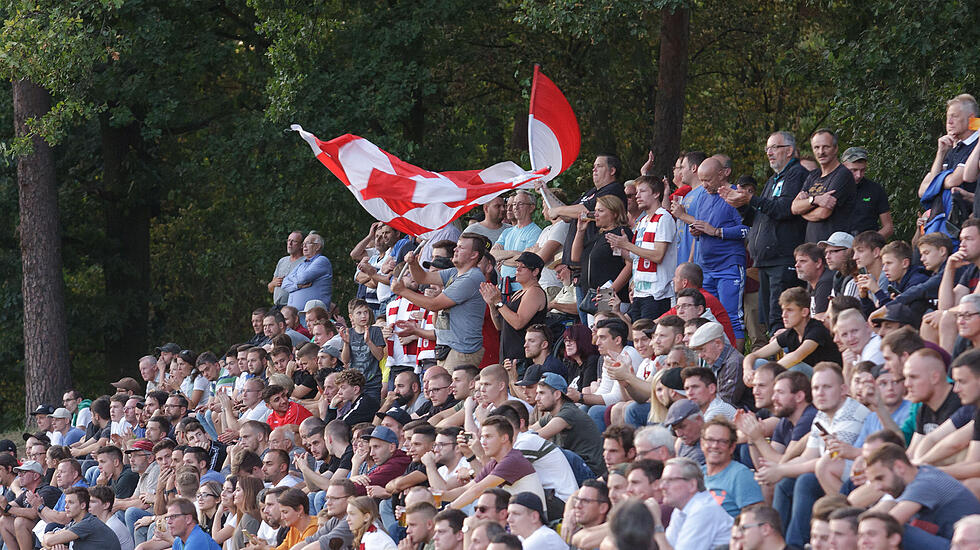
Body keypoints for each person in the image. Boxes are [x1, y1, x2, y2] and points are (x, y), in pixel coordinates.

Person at [765, 363, 870, 548]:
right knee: (786, 483)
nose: (820, 393)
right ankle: (776, 543)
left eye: (827, 387)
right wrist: (778, 470)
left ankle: (795, 545)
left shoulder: (852, 412)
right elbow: (807, 457)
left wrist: (780, 469)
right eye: (816, 388)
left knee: (806, 480)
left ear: (844, 389)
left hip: (857, 484)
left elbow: (826, 462)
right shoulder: (821, 415)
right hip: (834, 479)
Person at [723, 131, 808, 332]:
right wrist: (740, 205)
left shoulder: (797, 174)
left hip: (783, 259)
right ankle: (776, 361)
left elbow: (784, 209)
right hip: (766, 261)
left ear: (789, 150)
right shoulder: (772, 180)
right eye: (767, 148)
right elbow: (758, 218)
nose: (769, 152)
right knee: (770, 321)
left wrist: (749, 199)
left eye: (774, 148)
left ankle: (788, 361)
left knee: (782, 319)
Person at [672, 156, 748, 343]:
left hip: (729, 266)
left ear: (723, 174)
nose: (704, 185)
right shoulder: (704, 197)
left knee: (731, 317)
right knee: (706, 316)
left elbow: (748, 230)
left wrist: (717, 232)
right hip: (706, 268)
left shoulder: (735, 195)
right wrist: (697, 231)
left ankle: (735, 363)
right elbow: (703, 226)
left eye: (708, 180)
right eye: (702, 180)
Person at [393, 233, 488, 368]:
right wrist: (413, 264)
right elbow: (423, 278)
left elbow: (434, 304)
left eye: (461, 248)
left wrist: (402, 291)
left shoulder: (470, 278)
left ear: (474, 255)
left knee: (453, 389)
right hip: (448, 349)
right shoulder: (454, 272)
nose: (455, 250)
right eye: (456, 247)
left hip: (461, 351)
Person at [866, 442, 980, 549]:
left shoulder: (924, 484)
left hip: (959, 545)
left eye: (880, 478)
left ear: (899, 467)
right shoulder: (922, 473)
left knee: (894, 531)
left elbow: (887, 523)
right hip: (948, 540)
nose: (878, 487)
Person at [606, 175, 677, 320]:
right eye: (637, 192)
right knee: (635, 335)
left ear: (656, 194)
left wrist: (627, 245)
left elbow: (657, 256)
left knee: (649, 337)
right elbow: (635, 257)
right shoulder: (643, 221)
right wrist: (619, 248)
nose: (637, 196)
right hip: (639, 292)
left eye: (642, 191)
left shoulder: (664, 218)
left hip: (657, 294)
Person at [744, 287, 841, 379]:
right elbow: (754, 355)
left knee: (795, 369)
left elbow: (796, 356)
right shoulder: (791, 333)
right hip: (805, 380)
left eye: (789, 310)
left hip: (829, 378)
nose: (783, 315)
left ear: (804, 312)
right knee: (757, 363)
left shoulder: (817, 330)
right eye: (783, 310)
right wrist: (748, 371)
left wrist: (767, 375)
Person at [646, 456, 733, 550]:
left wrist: (657, 525)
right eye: (663, 481)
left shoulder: (704, 510)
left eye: (670, 480)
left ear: (692, 485)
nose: (662, 486)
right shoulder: (680, 509)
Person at [531, 372, 605, 477]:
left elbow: (536, 436)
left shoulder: (568, 412)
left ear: (557, 394)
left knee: (552, 452)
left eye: (541, 393)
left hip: (590, 473)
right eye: (537, 393)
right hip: (575, 468)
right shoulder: (552, 414)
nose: (536, 398)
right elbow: (530, 430)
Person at [481, 252, 548, 364]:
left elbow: (518, 323)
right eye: (517, 267)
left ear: (535, 272)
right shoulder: (518, 293)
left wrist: (498, 302)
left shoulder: (534, 291)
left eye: (523, 267)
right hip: (508, 357)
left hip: (522, 358)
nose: (518, 270)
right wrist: (492, 304)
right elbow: (500, 326)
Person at [791, 128, 856, 243]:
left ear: (835, 149)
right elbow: (794, 207)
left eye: (826, 147)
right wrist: (816, 200)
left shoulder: (842, 174)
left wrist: (803, 212)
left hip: (835, 248)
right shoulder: (813, 175)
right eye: (816, 147)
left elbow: (823, 213)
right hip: (813, 247)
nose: (821, 152)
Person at [570, 195, 633, 310]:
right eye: (596, 210)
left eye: (601, 210)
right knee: (593, 328)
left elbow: (629, 265)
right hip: (591, 297)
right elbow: (575, 258)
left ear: (614, 213)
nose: (596, 214)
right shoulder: (598, 236)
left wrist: (608, 294)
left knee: (606, 327)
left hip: (611, 298)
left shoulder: (619, 233)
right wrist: (580, 231)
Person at [701, 417, 763, 518]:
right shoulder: (697, 474)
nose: (715, 445)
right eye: (710, 440)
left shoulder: (741, 475)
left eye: (722, 441)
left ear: (732, 447)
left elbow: (756, 520)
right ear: (702, 444)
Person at [40, 487, 121, 550]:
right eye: (65, 502)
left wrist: (50, 539)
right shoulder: (75, 523)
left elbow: (48, 541)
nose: (66, 506)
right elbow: (45, 541)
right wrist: (55, 544)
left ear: (83, 505)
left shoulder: (88, 523)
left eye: (71, 503)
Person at [841, 147, 893, 237]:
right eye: (853, 170)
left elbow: (888, 227)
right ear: (843, 166)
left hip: (867, 245)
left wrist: (870, 242)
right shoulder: (833, 187)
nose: (858, 175)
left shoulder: (875, 190)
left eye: (862, 170)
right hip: (837, 246)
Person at [282, 232, 333, 321]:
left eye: (308, 243)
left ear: (318, 246)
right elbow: (284, 283)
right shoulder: (302, 264)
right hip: (296, 318)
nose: (304, 246)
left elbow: (303, 278)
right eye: (303, 244)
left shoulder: (322, 260)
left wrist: (293, 279)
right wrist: (297, 286)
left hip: (313, 318)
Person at [269, 231, 305, 306]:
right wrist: (273, 283)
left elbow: (306, 286)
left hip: (293, 307)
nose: (290, 244)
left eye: (294, 241)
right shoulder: (282, 261)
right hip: (277, 306)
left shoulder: (305, 261)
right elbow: (270, 288)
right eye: (288, 240)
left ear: (302, 245)